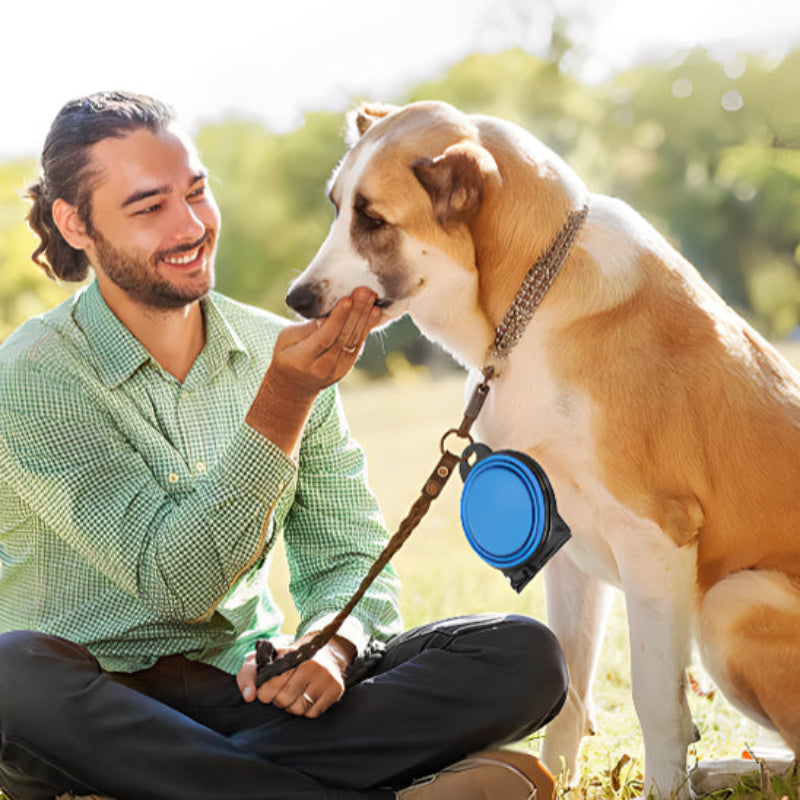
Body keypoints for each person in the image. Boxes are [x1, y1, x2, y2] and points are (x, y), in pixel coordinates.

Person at [0, 91, 568, 800]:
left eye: (197, 193)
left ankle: (164, 788)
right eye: (149, 208)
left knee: (520, 655)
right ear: (73, 223)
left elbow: (347, 556)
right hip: (92, 709)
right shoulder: (33, 377)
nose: (191, 226)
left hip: (247, 700)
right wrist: (283, 401)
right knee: (11, 675)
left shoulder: (276, 347)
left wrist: (331, 640)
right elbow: (176, 586)